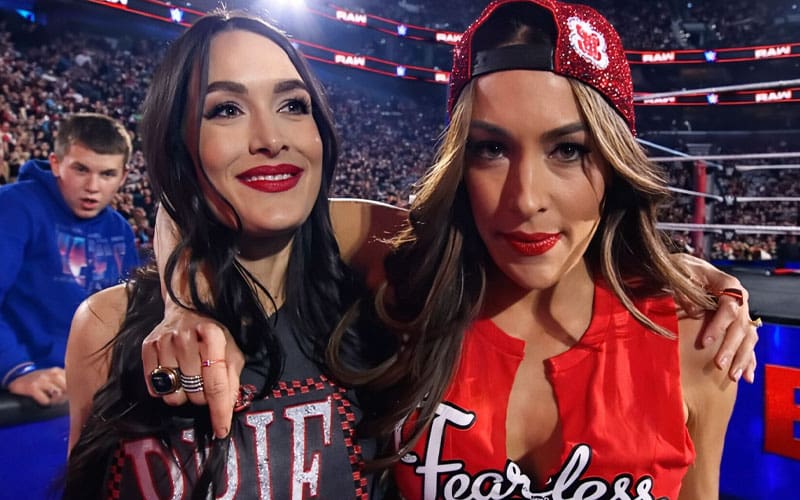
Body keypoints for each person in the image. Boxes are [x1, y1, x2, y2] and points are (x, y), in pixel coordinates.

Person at [365, 0, 749, 496]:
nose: (526, 199)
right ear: (461, 164)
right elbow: (301, 218)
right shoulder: (403, 292)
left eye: (568, 150)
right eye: (491, 149)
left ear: (613, 162)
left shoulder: (696, 339)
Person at [63, 11, 388, 499]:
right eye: (227, 110)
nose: (271, 139)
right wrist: (182, 302)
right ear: (179, 144)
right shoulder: (105, 325)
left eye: (293, 105)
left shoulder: (381, 296)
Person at [0, 112, 138, 407]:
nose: (93, 186)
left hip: (96, 397)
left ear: (124, 176)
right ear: (55, 163)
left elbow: (130, 315)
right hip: (27, 400)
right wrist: (15, 369)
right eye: (81, 169)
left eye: (107, 174)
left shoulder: (120, 230)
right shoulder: (13, 206)